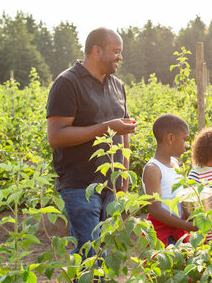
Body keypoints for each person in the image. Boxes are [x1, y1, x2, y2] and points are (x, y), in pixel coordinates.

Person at [46, 27, 138, 257]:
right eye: (116, 51)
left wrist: (123, 183)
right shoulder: (67, 83)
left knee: (104, 254)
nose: (120, 57)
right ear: (96, 50)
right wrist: (106, 127)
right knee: (90, 256)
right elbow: (56, 137)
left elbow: (123, 135)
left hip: (111, 187)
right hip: (81, 187)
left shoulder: (118, 86)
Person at [142, 113, 197, 246]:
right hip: (162, 232)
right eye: (184, 139)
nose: (186, 145)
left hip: (177, 227)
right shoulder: (153, 169)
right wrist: (187, 226)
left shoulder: (174, 163)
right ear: (171, 138)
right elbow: (155, 210)